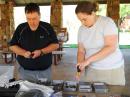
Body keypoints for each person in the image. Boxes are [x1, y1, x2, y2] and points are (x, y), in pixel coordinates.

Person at [75, 1, 125, 85]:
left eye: (84, 19)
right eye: (80, 20)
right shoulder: (81, 29)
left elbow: (111, 47)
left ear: (93, 13)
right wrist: (80, 66)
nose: (82, 23)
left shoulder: (107, 23)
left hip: (111, 69)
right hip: (91, 69)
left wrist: (88, 60)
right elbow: (81, 51)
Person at [9, 3, 59, 82]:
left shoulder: (47, 27)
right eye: (28, 19)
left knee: (45, 92)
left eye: (34, 18)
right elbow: (12, 45)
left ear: (40, 15)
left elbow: (55, 45)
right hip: (25, 71)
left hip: (45, 71)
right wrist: (23, 53)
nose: (32, 21)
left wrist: (41, 51)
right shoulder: (21, 28)